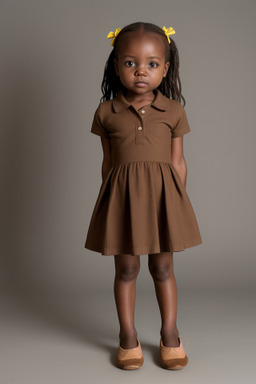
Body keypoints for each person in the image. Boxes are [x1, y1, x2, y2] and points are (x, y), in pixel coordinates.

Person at [84, 22, 202, 370]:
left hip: (164, 201)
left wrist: (177, 206)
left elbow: (179, 163)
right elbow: (108, 165)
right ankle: (128, 337)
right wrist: (109, 207)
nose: (141, 71)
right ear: (116, 65)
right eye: (130, 62)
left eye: (152, 63)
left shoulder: (174, 112)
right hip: (122, 202)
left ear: (165, 68)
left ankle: (170, 335)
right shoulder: (106, 112)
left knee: (163, 267)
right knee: (127, 268)